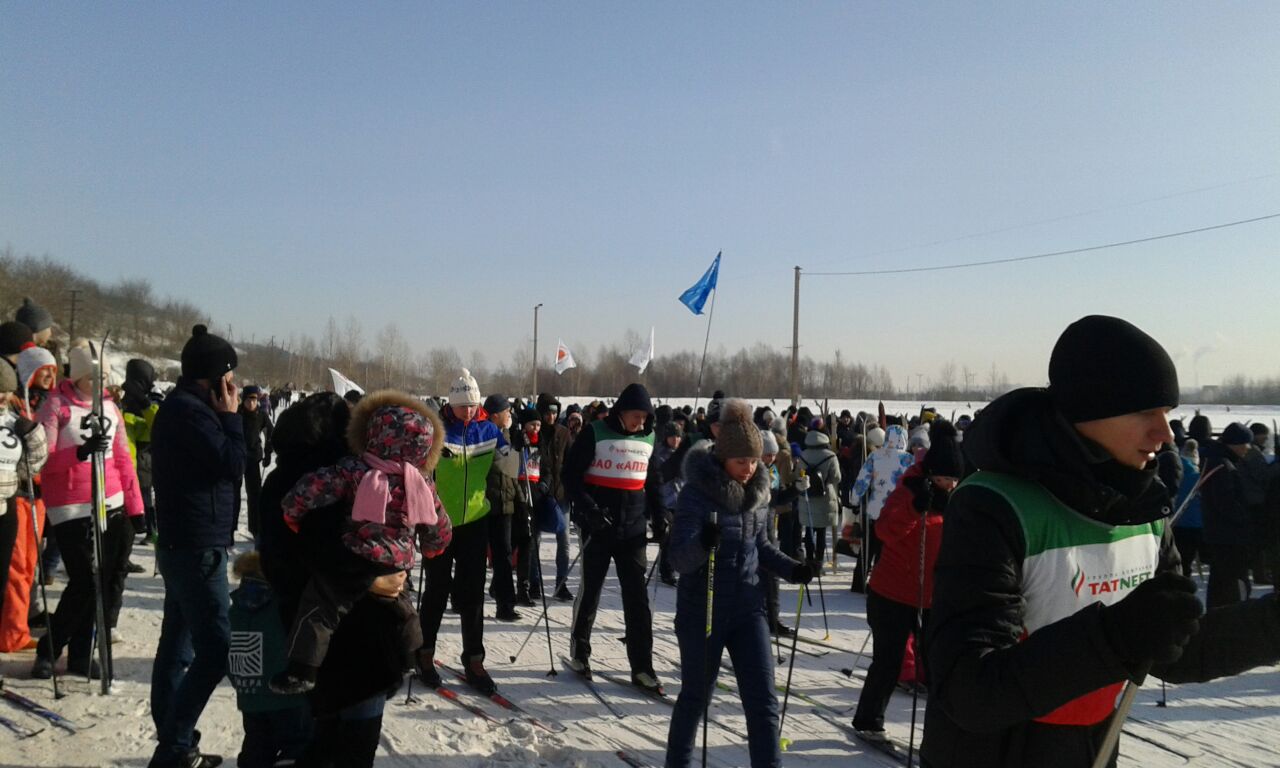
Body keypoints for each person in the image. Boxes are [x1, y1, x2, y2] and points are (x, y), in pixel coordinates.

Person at [922, 315, 1280, 768]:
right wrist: (1114, 637)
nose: (1165, 433)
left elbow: (1175, 647)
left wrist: (1272, 623)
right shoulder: (995, 504)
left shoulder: (1141, 506)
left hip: (1091, 747)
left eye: (1167, 413)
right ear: (1087, 411)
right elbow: (970, 690)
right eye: (1144, 412)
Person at [270, 390, 451, 694]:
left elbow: (316, 487)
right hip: (397, 561)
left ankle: (303, 669)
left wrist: (292, 509)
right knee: (403, 606)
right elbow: (438, 521)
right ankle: (410, 654)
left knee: (320, 607)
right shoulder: (421, 483)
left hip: (358, 554)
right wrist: (435, 545)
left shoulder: (355, 468)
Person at [664, 399, 812, 768]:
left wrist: (794, 570)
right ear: (722, 458)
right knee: (696, 697)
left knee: (763, 700)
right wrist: (703, 543)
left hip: (748, 609)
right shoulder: (697, 494)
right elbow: (678, 558)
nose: (749, 469)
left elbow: (762, 547)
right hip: (703, 609)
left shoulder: (757, 494)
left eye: (754, 461)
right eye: (741, 461)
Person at [149, 324, 246, 768]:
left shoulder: (183, 408)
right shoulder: (193, 414)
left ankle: (177, 743)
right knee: (215, 650)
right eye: (230, 377)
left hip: (183, 541)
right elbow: (233, 463)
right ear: (216, 379)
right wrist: (232, 418)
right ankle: (174, 744)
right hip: (196, 544)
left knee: (177, 644)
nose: (235, 386)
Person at [32, 340, 142, 678]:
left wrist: (136, 506)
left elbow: (123, 458)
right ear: (77, 377)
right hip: (70, 504)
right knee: (84, 579)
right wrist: (79, 453)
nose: (100, 384)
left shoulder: (110, 408)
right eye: (94, 378)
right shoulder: (56, 406)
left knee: (101, 581)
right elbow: (42, 460)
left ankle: (81, 653)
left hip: (110, 500)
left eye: (104, 378)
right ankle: (50, 646)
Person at [851, 420, 962, 741]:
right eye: (943, 479)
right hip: (892, 593)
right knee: (889, 661)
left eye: (954, 479)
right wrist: (914, 509)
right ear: (930, 474)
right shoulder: (909, 490)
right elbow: (885, 531)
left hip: (932, 597)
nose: (949, 485)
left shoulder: (956, 500)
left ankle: (942, 735)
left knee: (939, 665)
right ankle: (868, 720)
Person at [416, 369, 516, 695]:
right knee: (437, 590)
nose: (469, 411)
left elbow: (511, 466)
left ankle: (474, 660)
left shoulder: (489, 430)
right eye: (463, 406)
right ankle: (424, 654)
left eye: (473, 405)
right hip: (439, 522)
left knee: (473, 594)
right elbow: (418, 471)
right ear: (451, 404)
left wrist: (520, 444)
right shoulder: (437, 430)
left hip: (475, 520)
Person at [562, 382, 660, 690]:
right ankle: (580, 652)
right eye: (635, 416)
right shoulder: (595, 432)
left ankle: (642, 667)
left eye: (644, 417)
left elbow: (654, 482)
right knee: (591, 590)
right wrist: (589, 509)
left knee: (637, 599)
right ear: (621, 411)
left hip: (633, 530)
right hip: (599, 527)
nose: (640, 422)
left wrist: (662, 517)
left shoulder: (649, 437)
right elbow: (570, 476)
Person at [227, 551, 311, 768]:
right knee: (297, 744)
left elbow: (229, 652)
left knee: (257, 746)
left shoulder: (234, 610)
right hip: (288, 697)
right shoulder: (283, 608)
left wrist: (242, 684)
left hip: (250, 696)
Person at [0, 361, 48, 663]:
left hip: (9, 507)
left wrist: (34, 437)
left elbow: (29, 468)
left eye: (5, 392)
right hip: (8, 505)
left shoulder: (12, 420)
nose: (3, 398)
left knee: (7, 579)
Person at [850, 424, 912, 592]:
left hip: (875, 509)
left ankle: (858, 583)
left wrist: (854, 500)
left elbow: (862, 480)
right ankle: (879, 585)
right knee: (887, 550)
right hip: (897, 511)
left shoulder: (875, 456)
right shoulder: (909, 460)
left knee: (868, 547)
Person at [1200, 422, 1256, 608]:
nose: (1248, 448)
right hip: (1229, 535)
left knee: (1220, 581)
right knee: (1233, 582)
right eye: (1246, 443)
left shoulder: (1216, 459)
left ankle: (1217, 616)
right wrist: (1247, 519)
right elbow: (1225, 502)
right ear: (1235, 443)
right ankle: (1232, 616)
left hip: (1219, 533)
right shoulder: (1223, 466)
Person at [482, 394, 522, 621]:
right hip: (485, 503)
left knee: (504, 555)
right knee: (478, 555)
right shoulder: (485, 434)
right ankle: (463, 598)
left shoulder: (506, 434)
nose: (510, 416)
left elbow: (512, 473)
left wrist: (520, 500)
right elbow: (501, 465)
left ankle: (505, 604)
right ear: (495, 415)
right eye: (507, 412)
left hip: (505, 503)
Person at [533, 392, 574, 601]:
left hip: (560, 494)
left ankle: (561, 583)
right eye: (548, 412)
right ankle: (534, 582)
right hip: (539, 495)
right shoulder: (535, 433)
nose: (551, 416)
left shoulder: (564, 433)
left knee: (564, 540)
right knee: (535, 540)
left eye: (555, 412)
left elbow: (572, 461)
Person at [122, 359, 161, 544]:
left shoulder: (152, 400)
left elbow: (159, 426)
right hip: (126, 460)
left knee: (145, 499)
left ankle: (151, 530)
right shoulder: (122, 400)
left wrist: (144, 403)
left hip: (145, 458)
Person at [796, 429, 841, 570]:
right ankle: (819, 563)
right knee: (821, 533)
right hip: (825, 498)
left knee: (809, 531)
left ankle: (809, 561)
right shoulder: (830, 456)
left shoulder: (803, 455)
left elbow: (797, 475)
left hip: (807, 497)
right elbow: (836, 478)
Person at [237, 385, 274, 540]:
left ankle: (255, 528)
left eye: (254, 399)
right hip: (236, 458)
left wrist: (268, 452)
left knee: (255, 495)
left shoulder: (261, 415)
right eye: (249, 399)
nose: (252, 403)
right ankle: (230, 527)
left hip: (253, 458)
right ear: (243, 400)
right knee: (233, 494)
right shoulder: (236, 413)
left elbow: (270, 431)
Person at [1171, 439, 1205, 579]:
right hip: (1193, 523)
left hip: (1174, 521)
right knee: (1186, 560)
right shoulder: (1197, 477)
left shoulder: (1173, 472)